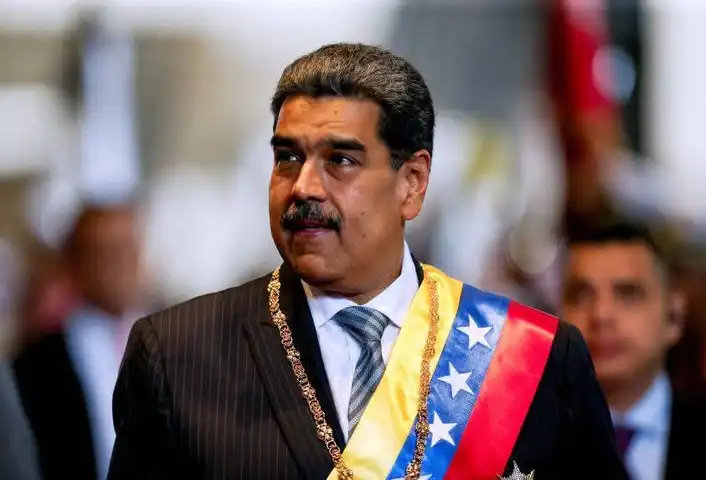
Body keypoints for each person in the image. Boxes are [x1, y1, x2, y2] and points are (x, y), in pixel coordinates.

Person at [108, 43, 627, 479]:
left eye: (340, 160)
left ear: (412, 184)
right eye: (288, 157)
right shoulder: (177, 355)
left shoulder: (535, 359)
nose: (303, 187)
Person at [561, 222, 706, 480]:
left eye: (627, 294)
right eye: (581, 295)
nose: (601, 315)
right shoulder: (527, 439)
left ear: (674, 318)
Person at [14, 204, 143, 480]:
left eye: (128, 251)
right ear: (74, 265)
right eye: (107, 255)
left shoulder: (174, 341)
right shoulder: (38, 365)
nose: (121, 268)